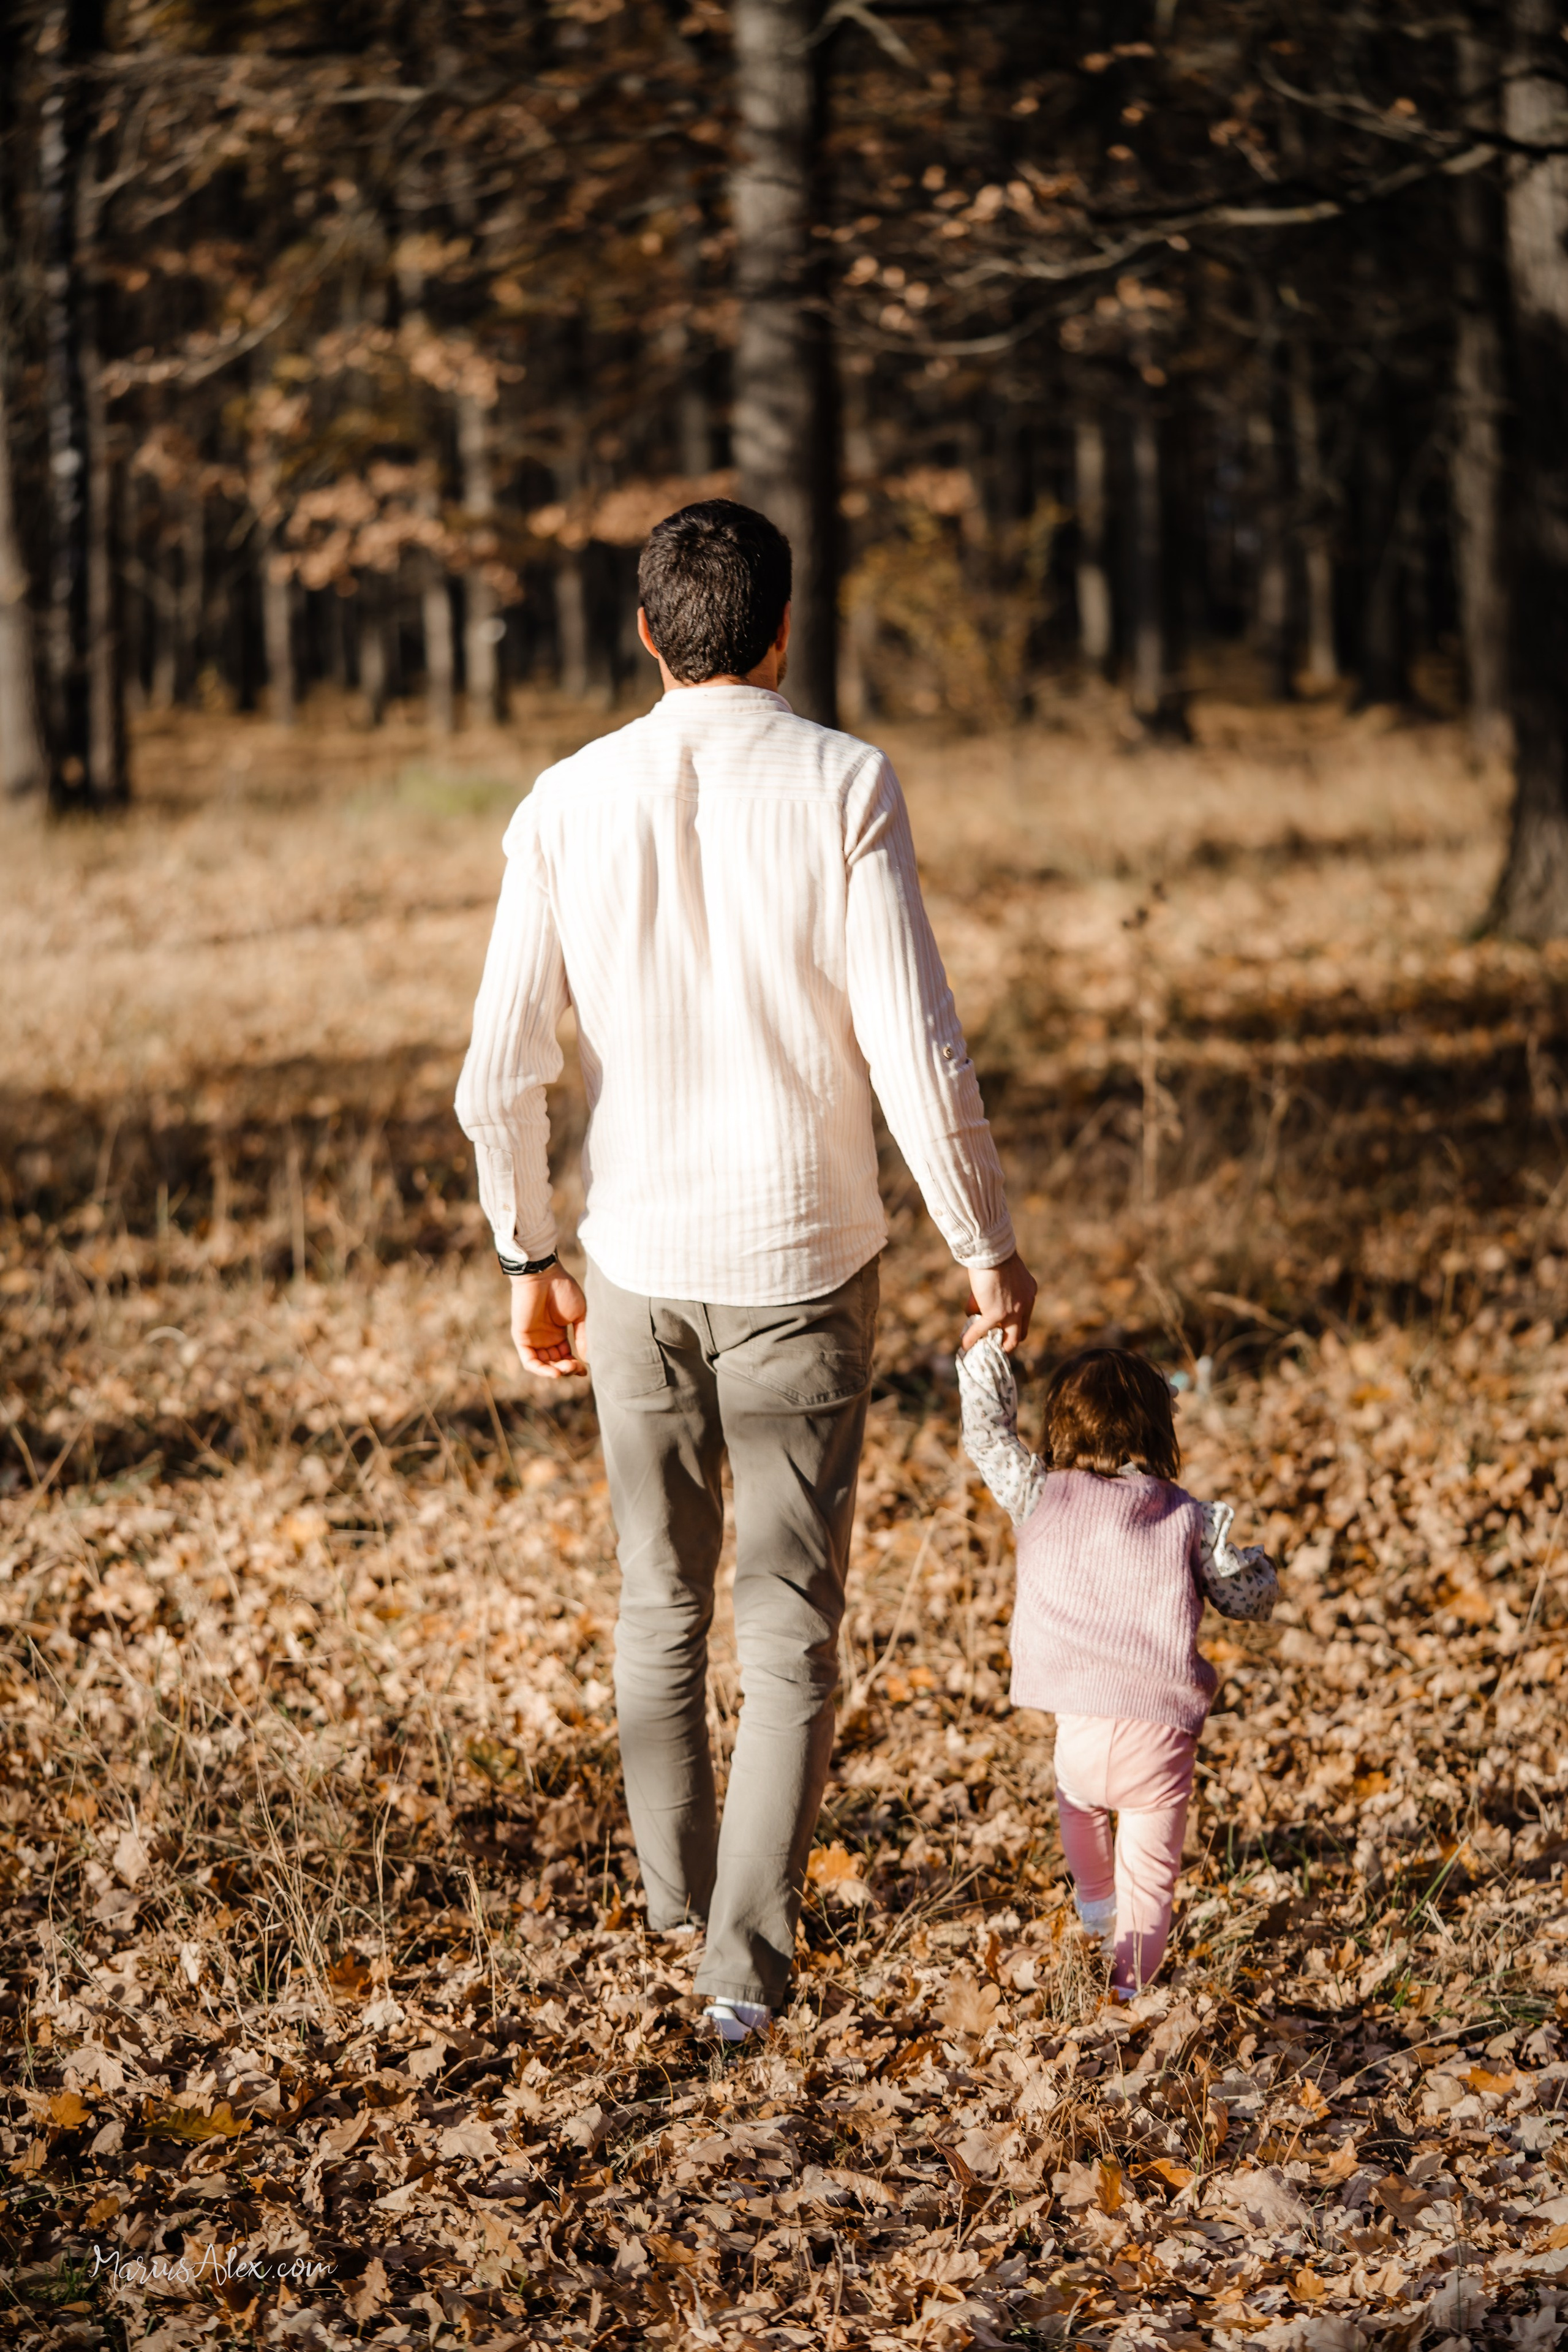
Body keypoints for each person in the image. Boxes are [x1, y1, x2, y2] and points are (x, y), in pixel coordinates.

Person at [456, 499, 1035, 2040]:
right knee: (783, 1616)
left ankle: (674, 1893)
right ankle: (740, 1968)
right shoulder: (845, 779)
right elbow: (912, 1045)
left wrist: (529, 1249)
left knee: (658, 1593)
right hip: (799, 1253)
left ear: (649, 635)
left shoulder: (564, 800)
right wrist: (983, 1239)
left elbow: (493, 1071)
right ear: (781, 631)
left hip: (634, 1257)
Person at [956, 1336, 1278, 1998]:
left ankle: (1095, 1904)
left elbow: (988, 1437)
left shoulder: (1041, 1493)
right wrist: (1255, 1569)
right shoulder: (1186, 1516)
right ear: (1158, 1430)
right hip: (1159, 1734)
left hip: (1078, 1723)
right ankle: (1132, 1988)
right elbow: (1246, 1598)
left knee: (1077, 1805)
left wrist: (984, 1353)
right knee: (1152, 1874)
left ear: (1062, 1425)